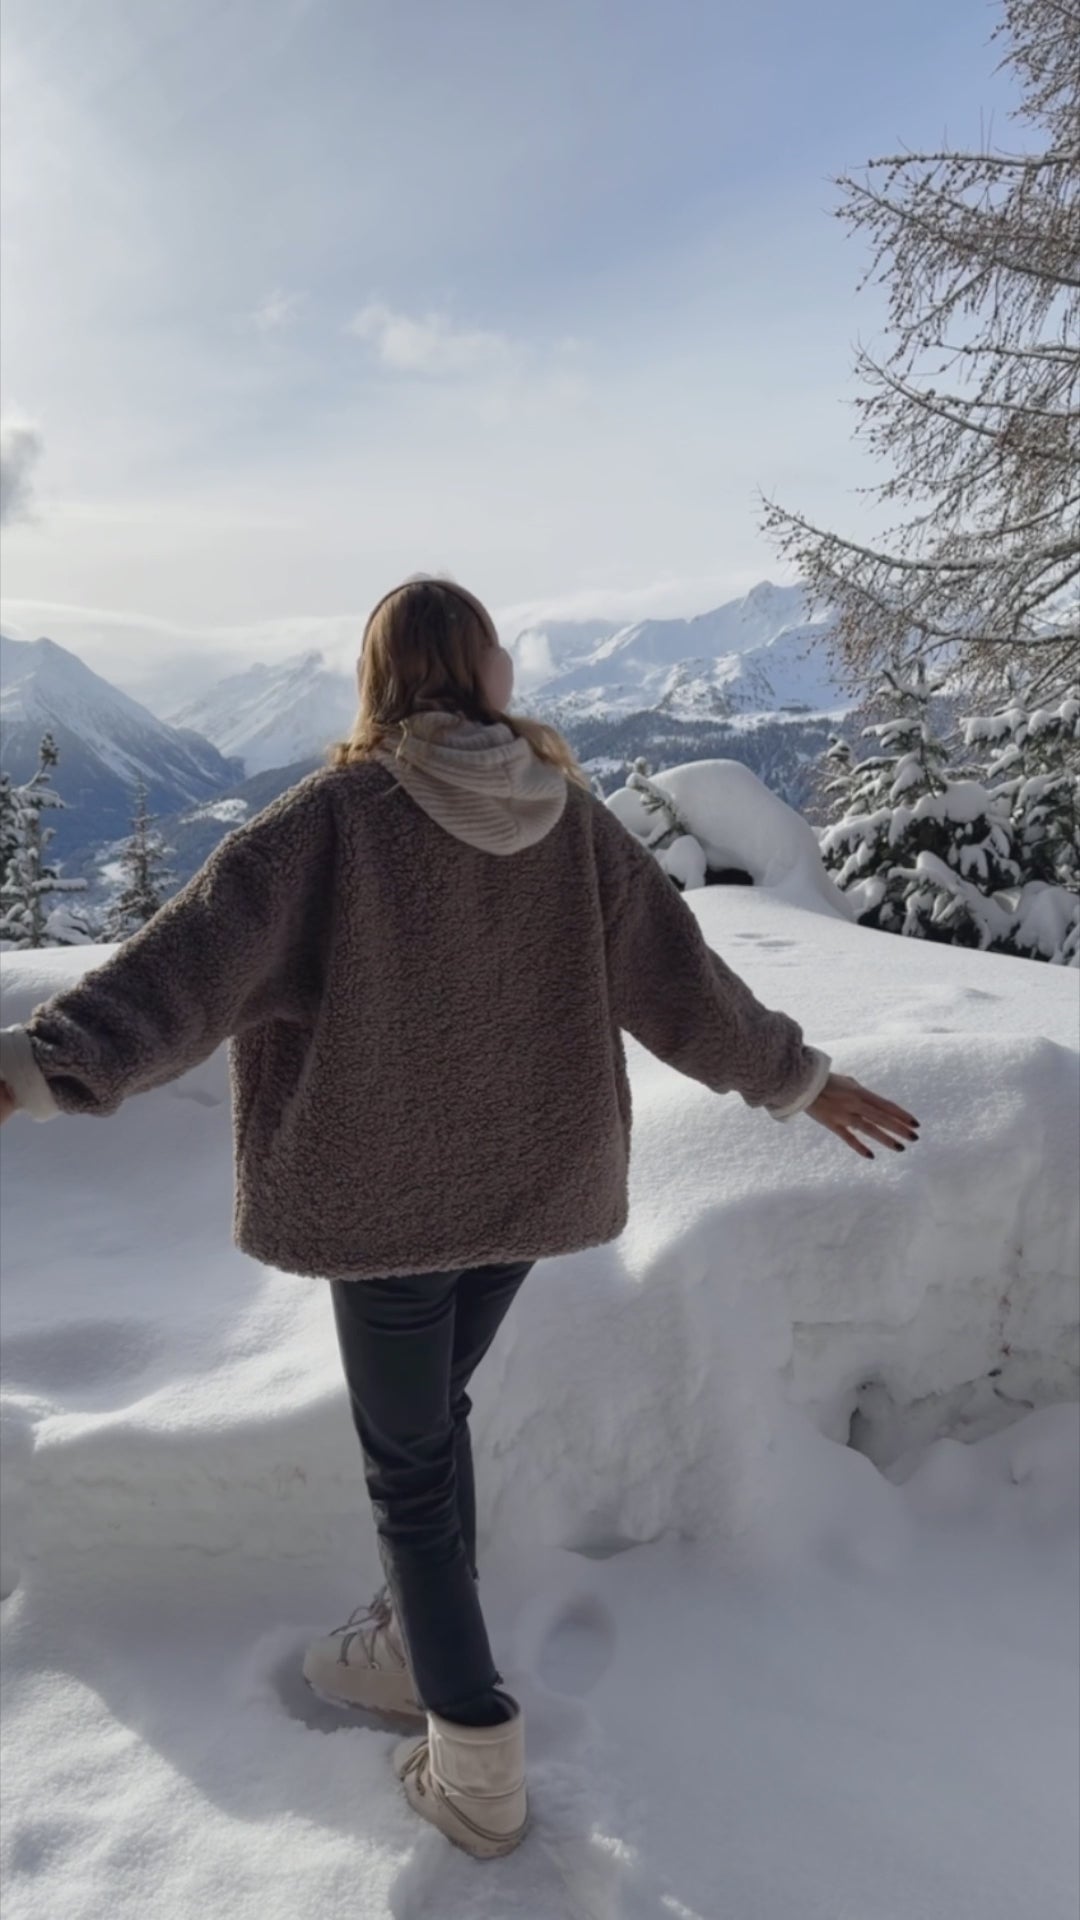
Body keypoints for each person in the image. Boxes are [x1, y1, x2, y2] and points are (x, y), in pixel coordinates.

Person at [0, 577, 919, 1859]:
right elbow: (683, 986)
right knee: (435, 1427)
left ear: (381, 678)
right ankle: (400, 1642)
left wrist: (41, 1067)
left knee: (413, 1466)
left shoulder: (331, 822)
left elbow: (189, 964)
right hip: (530, 1191)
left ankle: (475, 1755)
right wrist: (798, 1080)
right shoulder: (572, 822)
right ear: (484, 672)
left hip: (382, 1207)